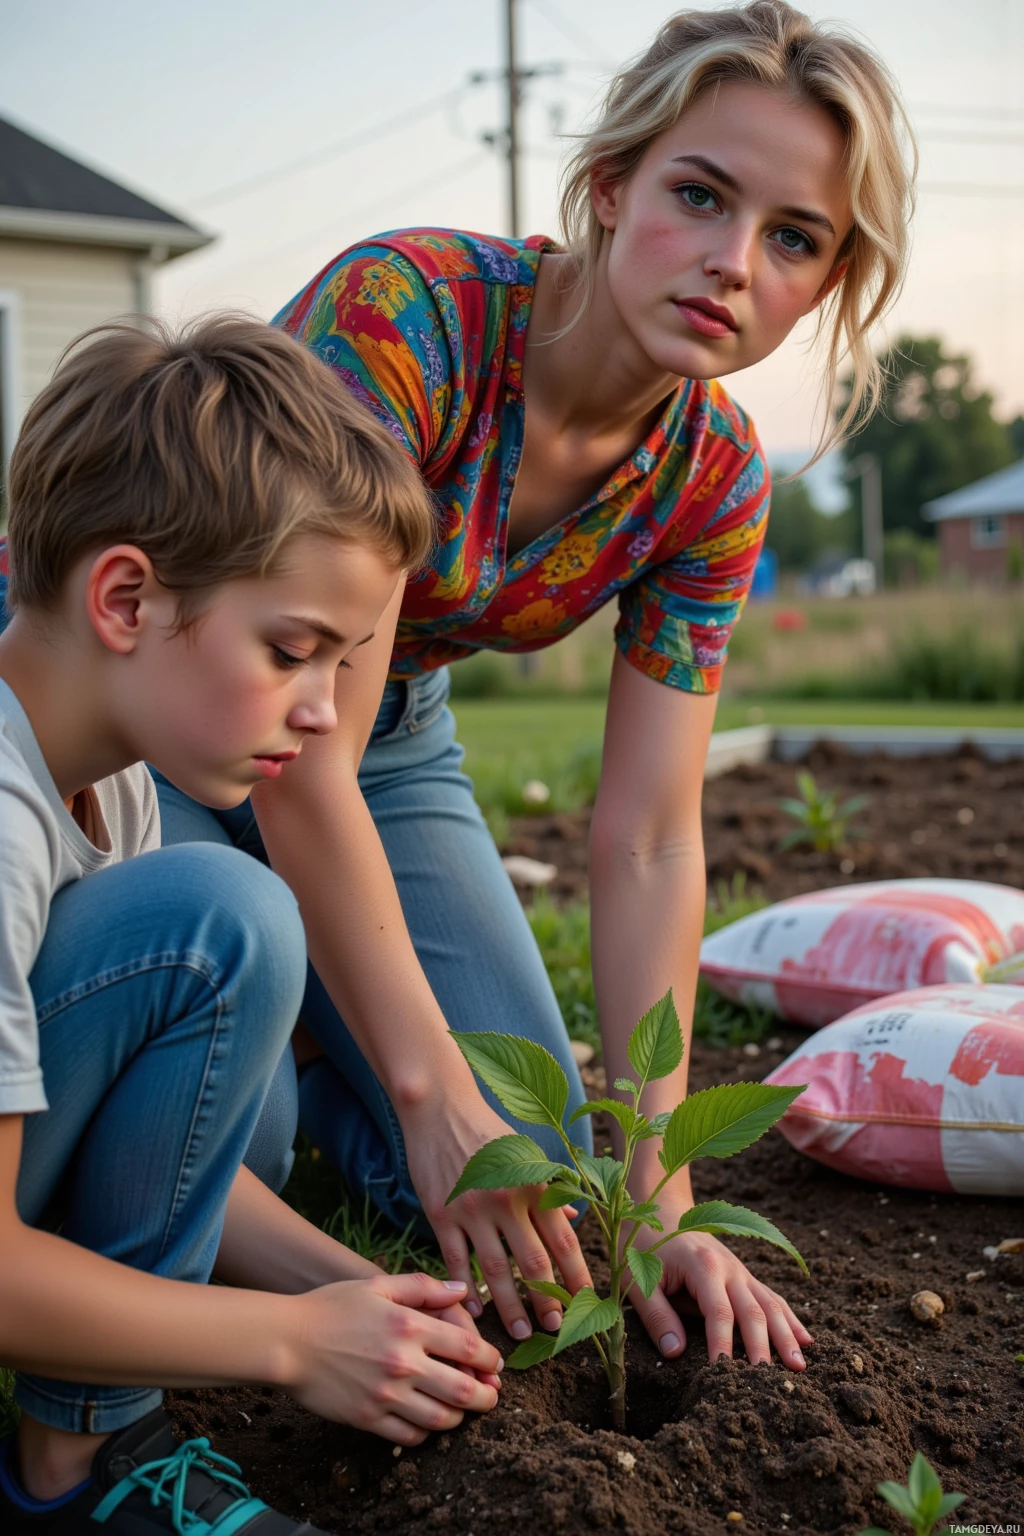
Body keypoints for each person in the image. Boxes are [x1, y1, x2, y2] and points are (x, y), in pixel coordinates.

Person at [157, 0, 915, 1369]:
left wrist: (659, 1197)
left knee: (556, 1173)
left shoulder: (713, 479)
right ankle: (324, 1064)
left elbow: (646, 836)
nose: (733, 262)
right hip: (152, 705)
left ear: (825, 277)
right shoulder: (411, 323)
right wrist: (428, 1086)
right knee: (238, 1119)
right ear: (614, 186)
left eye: (793, 237)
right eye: (700, 194)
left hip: (387, 735)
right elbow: (291, 739)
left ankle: (334, 1058)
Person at [0, 316, 505, 1536]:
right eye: (293, 652)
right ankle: (76, 1465)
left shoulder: (104, 779)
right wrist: (289, 1343)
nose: (328, 715)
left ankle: (92, 1436)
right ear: (126, 597)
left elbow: (143, 1156)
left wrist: (351, 1290)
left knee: (219, 936)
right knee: (219, 921)